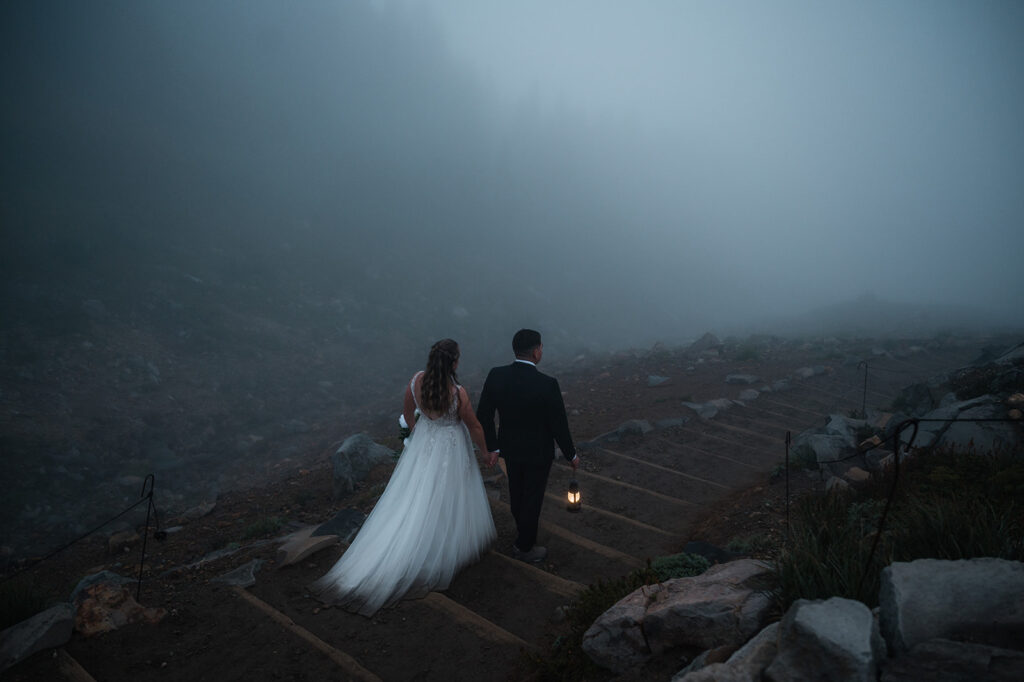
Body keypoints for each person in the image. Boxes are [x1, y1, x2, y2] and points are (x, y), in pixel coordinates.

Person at [311, 339, 497, 616]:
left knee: (417, 493)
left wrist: (420, 433)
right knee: (448, 494)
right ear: (454, 363)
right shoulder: (458, 393)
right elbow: (474, 426)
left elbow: (409, 414)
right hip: (450, 449)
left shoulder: (416, 381)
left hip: (425, 445)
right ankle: (441, 547)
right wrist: (486, 452)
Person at [476, 329, 578, 563]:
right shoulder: (548, 384)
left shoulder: (496, 375)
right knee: (532, 496)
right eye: (541, 348)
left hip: (509, 449)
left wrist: (493, 446)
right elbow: (558, 424)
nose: (541, 351)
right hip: (538, 452)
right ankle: (524, 547)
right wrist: (571, 453)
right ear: (536, 351)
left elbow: (484, 414)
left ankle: (523, 533)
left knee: (517, 492)